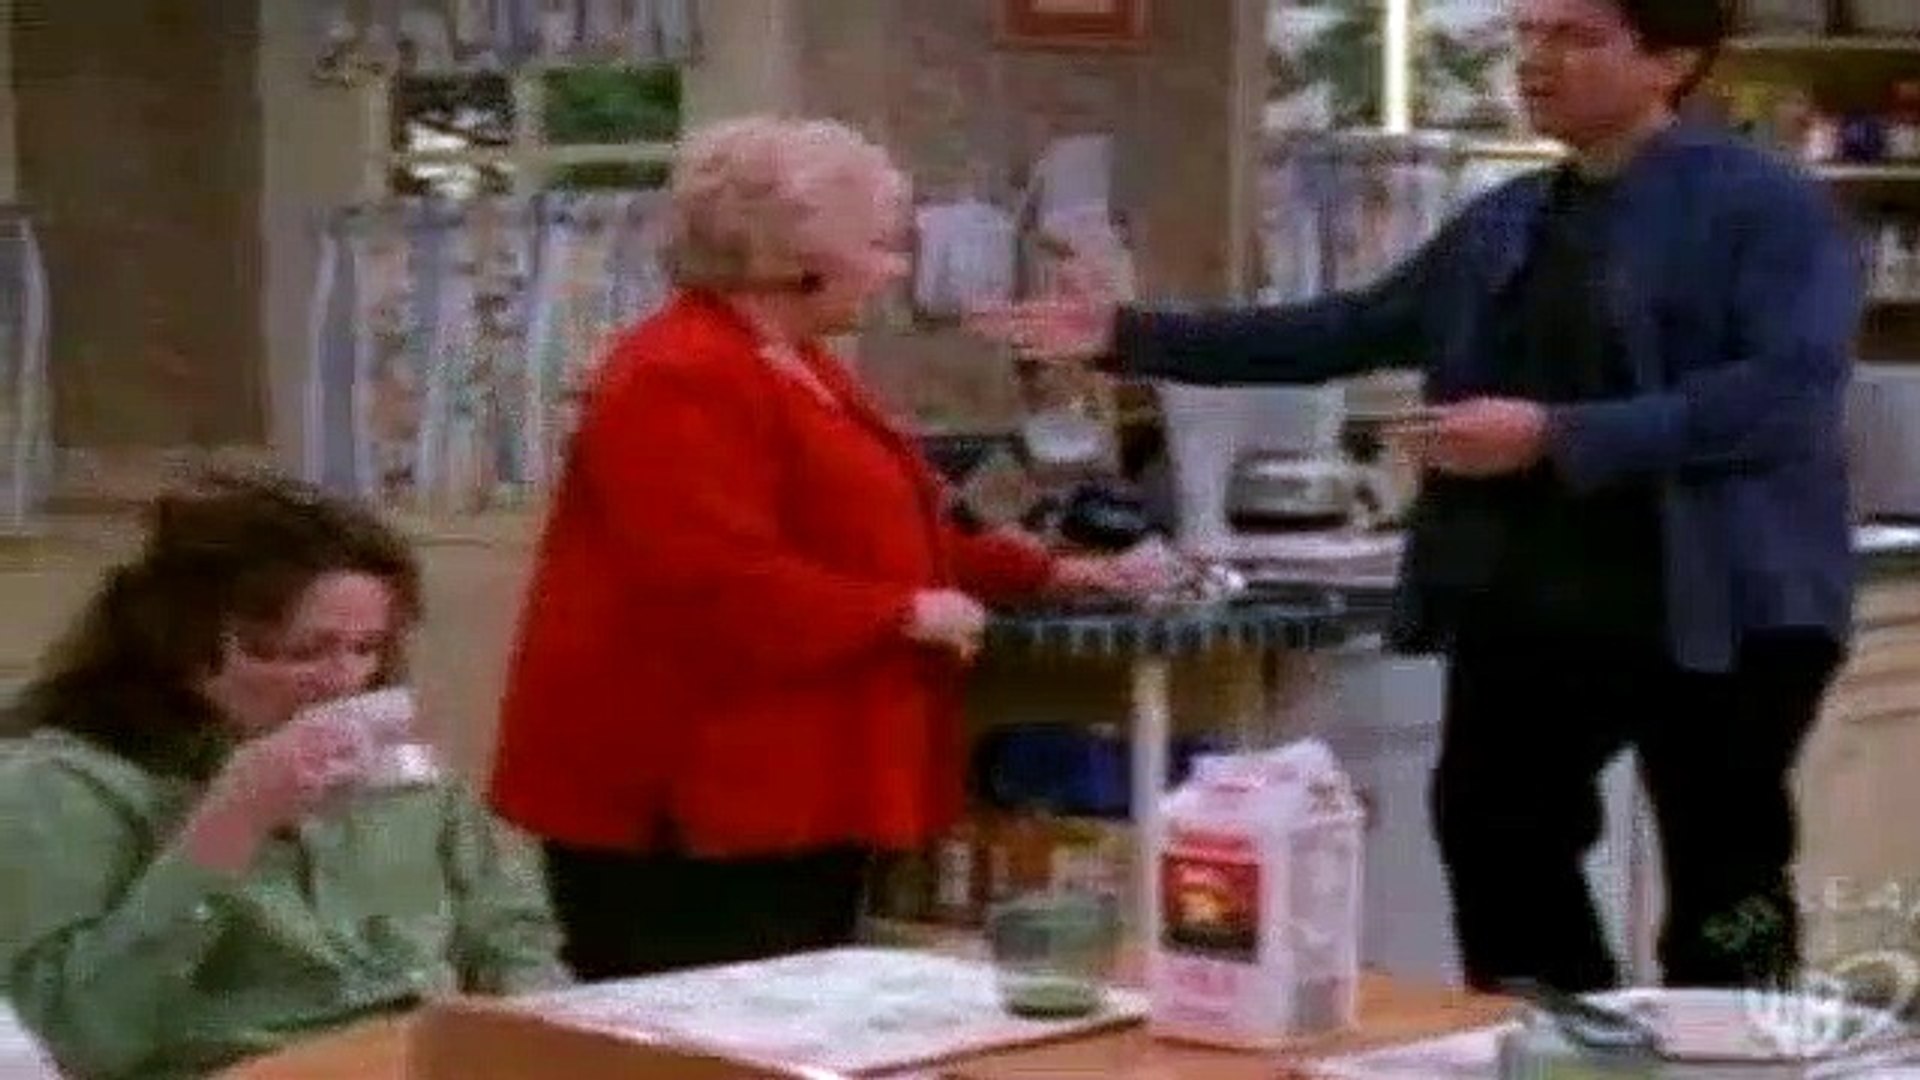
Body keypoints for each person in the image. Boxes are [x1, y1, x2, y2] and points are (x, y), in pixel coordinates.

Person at [978, 0, 1863, 993]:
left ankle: (1741, 1048)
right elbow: (1347, 329)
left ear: (1674, 61)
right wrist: (1128, 336)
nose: (1536, 60)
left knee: (1726, 869)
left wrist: (1555, 435)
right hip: (1537, 597)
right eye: (1528, 34)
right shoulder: (1511, 219)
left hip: (1729, 601)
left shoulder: (1767, 209)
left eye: (1576, 37)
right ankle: (1562, 1043)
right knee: (1496, 835)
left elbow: (1785, 394)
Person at [488, 115, 1161, 981]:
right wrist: (902, 614)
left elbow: (890, 530)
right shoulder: (680, 373)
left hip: (788, 784)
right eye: (879, 246)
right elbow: (713, 582)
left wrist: (1056, 572)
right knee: (706, 1023)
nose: (896, 270)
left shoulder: (794, 360)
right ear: (794, 259)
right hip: (688, 794)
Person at [0, 473, 567, 1080]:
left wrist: (550, 1044)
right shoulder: (67, 786)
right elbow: (76, 1038)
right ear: (184, 646)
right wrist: (232, 822)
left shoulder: (400, 770)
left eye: (366, 649)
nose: (343, 682)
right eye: (304, 652)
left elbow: (511, 937)